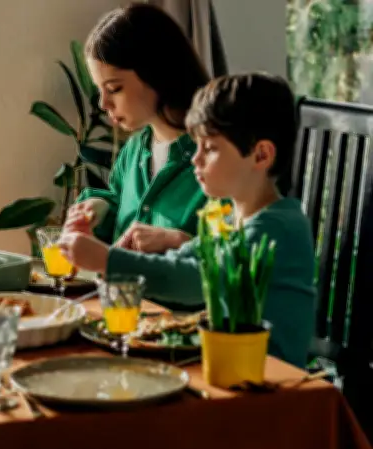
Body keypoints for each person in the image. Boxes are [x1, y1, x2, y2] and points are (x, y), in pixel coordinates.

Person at [59, 72, 317, 367]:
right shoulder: (230, 220)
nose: (196, 159)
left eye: (210, 148)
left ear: (260, 155)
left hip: (271, 386)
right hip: (228, 369)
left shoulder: (276, 230)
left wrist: (107, 260)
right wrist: (117, 255)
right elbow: (180, 261)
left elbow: (193, 280)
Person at [69, 3, 210, 254]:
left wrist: (182, 242)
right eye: (99, 90)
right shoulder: (134, 151)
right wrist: (101, 207)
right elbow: (121, 206)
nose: (103, 103)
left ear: (156, 72)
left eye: (114, 89)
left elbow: (241, 256)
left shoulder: (218, 158)